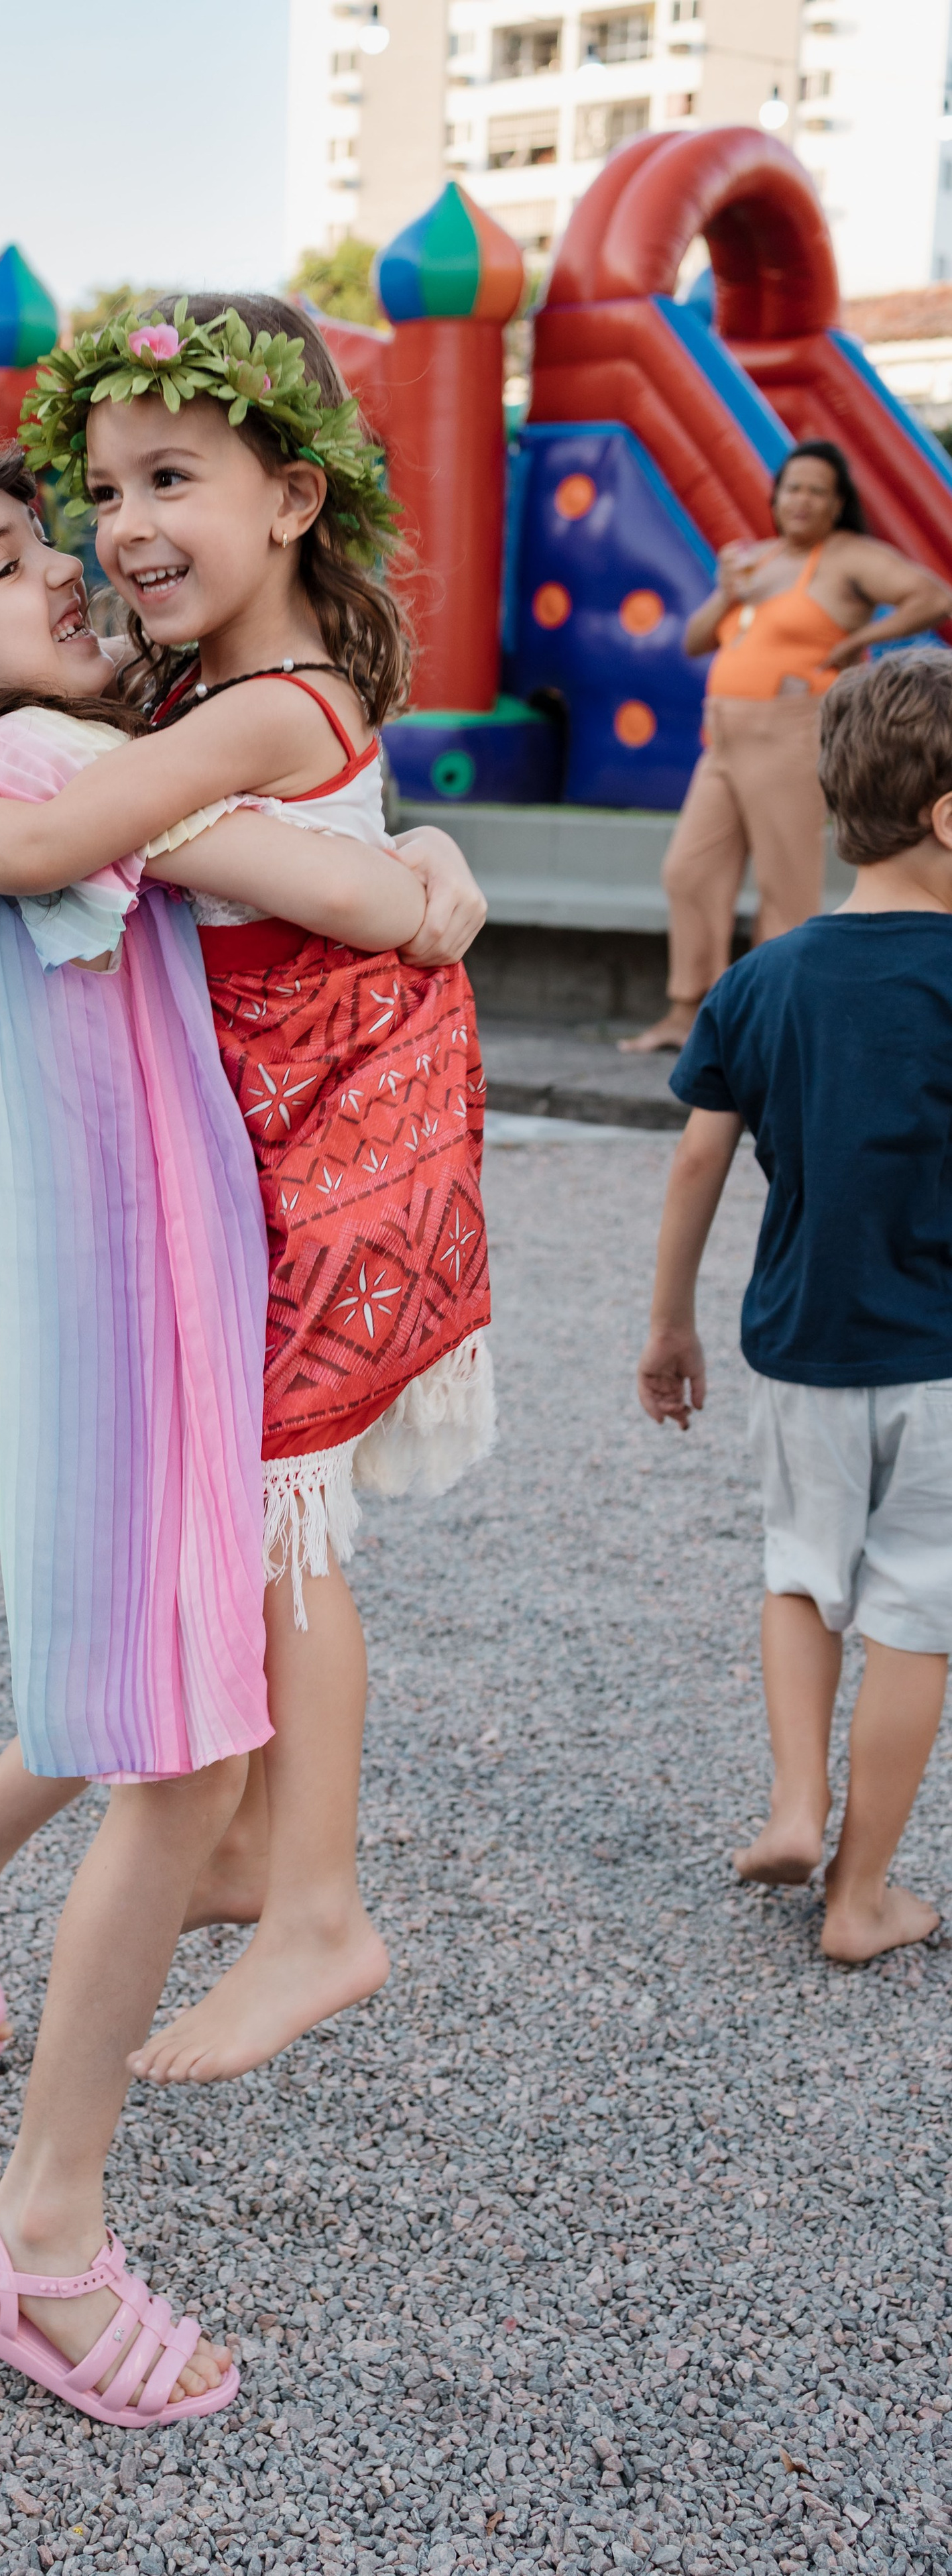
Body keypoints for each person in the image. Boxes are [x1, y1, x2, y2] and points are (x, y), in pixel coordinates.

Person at [0, 433, 449, 2424]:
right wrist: (436, 878)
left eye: (40, 537)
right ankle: (37, 2234)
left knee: (173, 1700)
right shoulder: (29, 774)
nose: (59, 567)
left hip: (126, 1300)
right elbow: (343, 887)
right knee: (180, 1746)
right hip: (137, 1311)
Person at [0, 296, 494, 2087]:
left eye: (172, 477)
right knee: (238, 1521)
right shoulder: (191, 698)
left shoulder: (254, 713)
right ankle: (165, 1858)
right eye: (104, 484)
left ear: (292, 497)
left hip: (337, 1153)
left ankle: (318, 1909)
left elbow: (61, 837)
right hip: (299, 1145)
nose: (121, 523)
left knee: (281, 1521)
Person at [636, 649, 952, 1962]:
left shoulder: (761, 981)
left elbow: (698, 1158)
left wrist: (668, 1324)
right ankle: (858, 1896)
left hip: (800, 1351)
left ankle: (787, 1802)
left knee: (797, 1575)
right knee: (914, 1612)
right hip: (941, 1361)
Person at [621, 439, 952, 1055]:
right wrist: (726, 592)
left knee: (786, 885)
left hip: (792, 731)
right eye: (792, 487)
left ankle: (774, 1026)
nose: (801, 500)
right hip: (723, 737)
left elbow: (933, 596)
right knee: (689, 871)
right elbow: (696, 639)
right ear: (775, 497)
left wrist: (861, 636)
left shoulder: (849, 556)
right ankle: (687, 1014)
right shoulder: (759, 561)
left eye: (817, 490)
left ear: (837, 504)